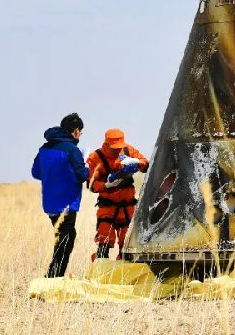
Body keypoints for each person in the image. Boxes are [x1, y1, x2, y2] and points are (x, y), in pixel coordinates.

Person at [31, 112, 90, 278]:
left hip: (50, 203)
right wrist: (87, 167)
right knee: (65, 240)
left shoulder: (44, 148)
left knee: (66, 236)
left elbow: (36, 173)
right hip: (67, 202)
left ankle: (54, 276)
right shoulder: (72, 150)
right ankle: (52, 278)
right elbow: (82, 175)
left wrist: (54, 173)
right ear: (76, 131)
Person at [86, 128, 149, 260]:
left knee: (127, 248)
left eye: (118, 147)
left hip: (128, 208)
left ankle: (124, 276)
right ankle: (101, 273)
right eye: (114, 147)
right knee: (104, 245)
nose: (117, 150)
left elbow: (146, 165)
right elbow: (91, 185)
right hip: (107, 208)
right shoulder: (95, 158)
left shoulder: (128, 150)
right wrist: (106, 185)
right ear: (106, 144)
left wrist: (137, 163)